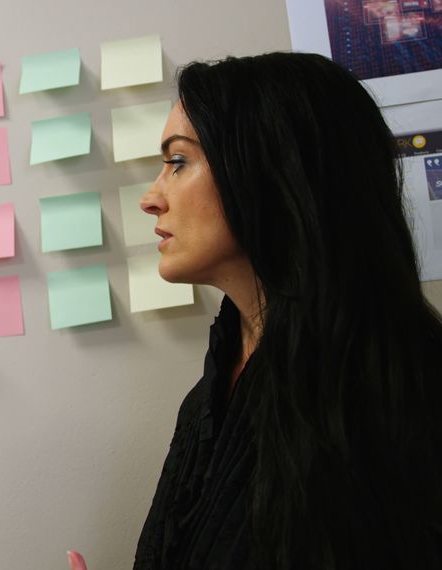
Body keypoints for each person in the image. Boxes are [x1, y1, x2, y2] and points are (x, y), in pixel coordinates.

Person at [134, 52, 442, 569]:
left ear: (273, 171)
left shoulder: (399, 399)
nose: (151, 198)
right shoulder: (209, 399)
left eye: (179, 161)